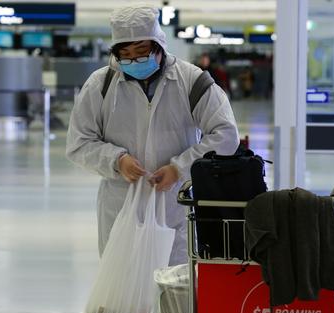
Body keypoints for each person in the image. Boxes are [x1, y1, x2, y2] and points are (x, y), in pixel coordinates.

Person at [66, 6, 239, 266]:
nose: (133, 61)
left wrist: (180, 168)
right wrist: (116, 160)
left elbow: (225, 135)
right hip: (120, 205)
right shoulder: (100, 86)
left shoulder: (192, 82)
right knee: (122, 292)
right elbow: (79, 142)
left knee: (171, 287)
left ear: (158, 45)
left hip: (172, 206)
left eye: (141, 52)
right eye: (125, 55)